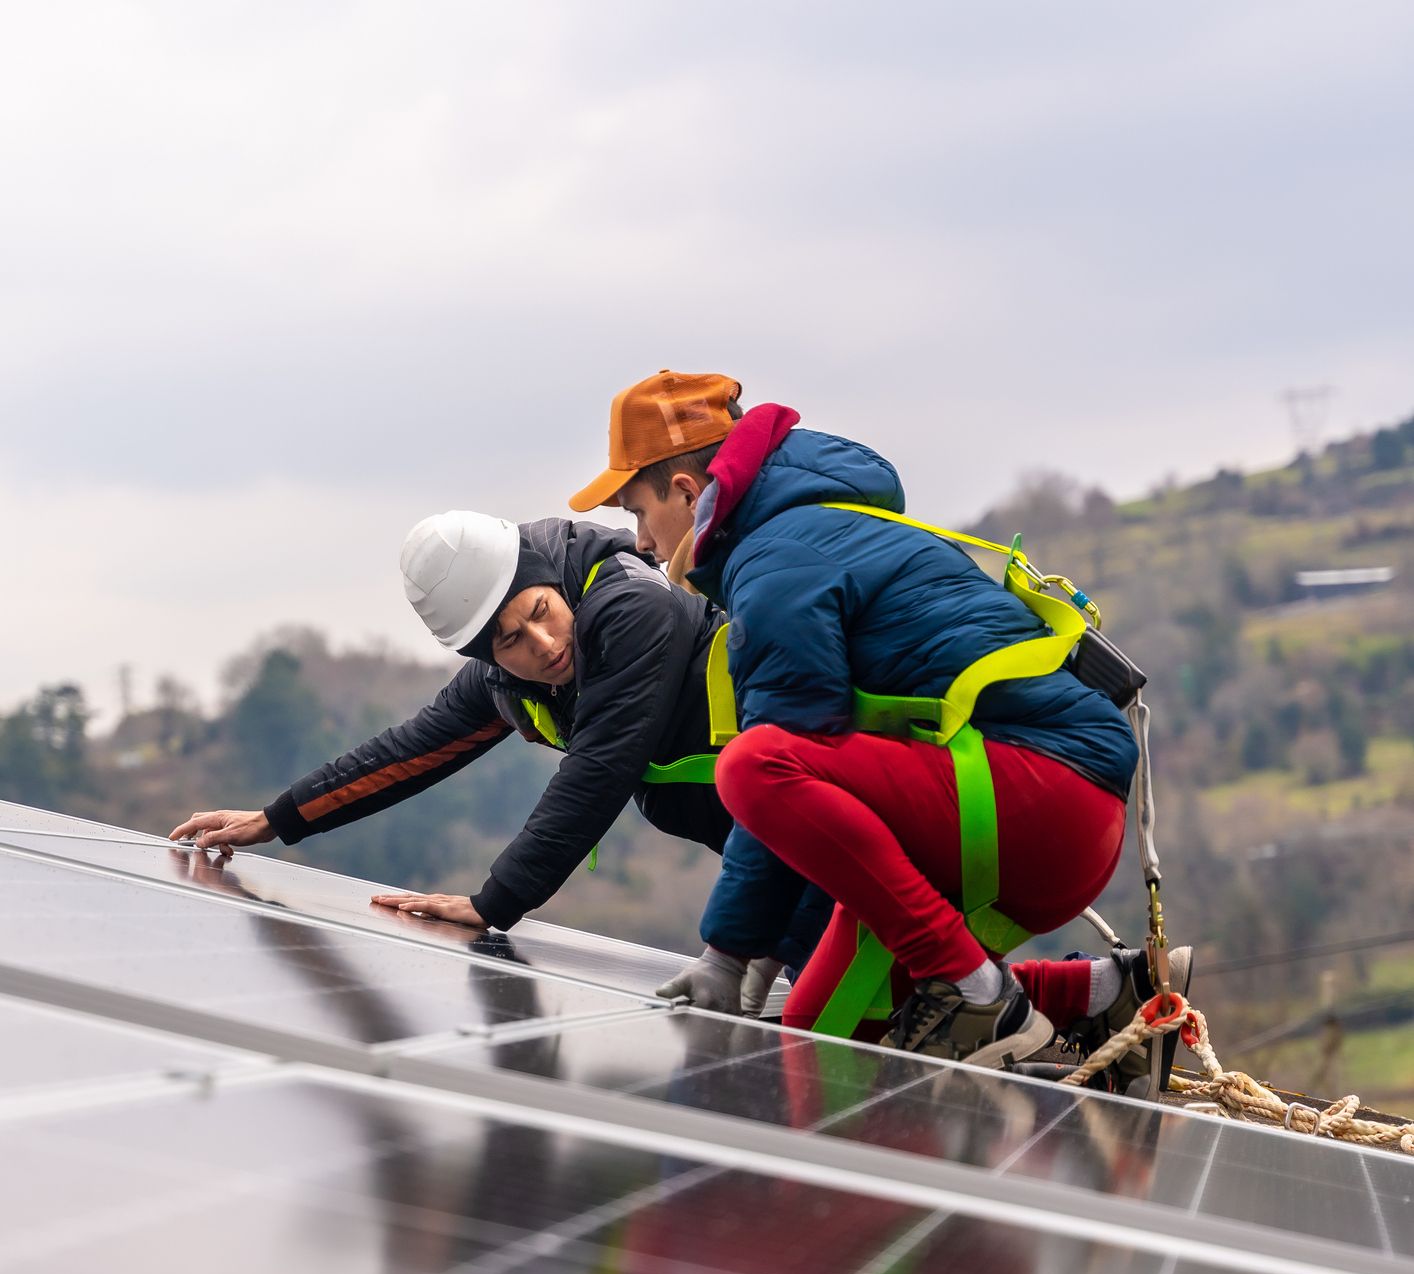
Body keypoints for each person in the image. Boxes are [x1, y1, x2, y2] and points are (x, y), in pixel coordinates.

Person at [573, 378, 1190, 1082]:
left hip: (1041, 796)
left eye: (639, 513)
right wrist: (761, 938)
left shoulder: (776, 560)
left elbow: (782, 761)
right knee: (825, 1032)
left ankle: (973, 990)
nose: (643, 543)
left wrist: (727, 950)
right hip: (1045, 804)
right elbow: (827, 787)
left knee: (748, 765)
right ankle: (1109, 996)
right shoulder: (810, 526)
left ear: (687, 491)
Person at [169, 510, 820, 988]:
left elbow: (598, 769)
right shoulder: (506, 681)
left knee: (871, 1021)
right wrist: (274, 819)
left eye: (541, 609)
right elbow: (408, 752)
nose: (541, 643)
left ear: (554, 582)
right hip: (775, 870)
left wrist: (494, 903)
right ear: (487, 654)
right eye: (509, 640)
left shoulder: (635, 609)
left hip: (831, 830)